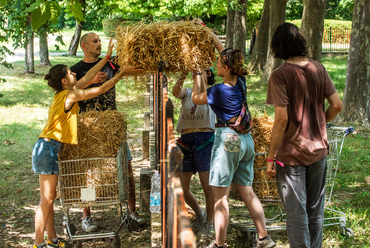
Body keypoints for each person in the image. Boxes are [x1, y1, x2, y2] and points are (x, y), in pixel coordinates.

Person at [31, 40, 142, 248]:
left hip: (49, 148)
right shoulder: (70, 95)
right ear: (65, 80)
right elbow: (101, 88)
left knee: (50, 199)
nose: (76, 75)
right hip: (47, 148)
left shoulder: (65, 93)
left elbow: (89, 76)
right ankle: (39, 244)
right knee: (46, 201)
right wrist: (121, 74)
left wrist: (107, 59)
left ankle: (53, 240)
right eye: (71, 74)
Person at [192, 19, 276, 248]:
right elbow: (225, 52)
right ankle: (264, 237)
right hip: (247, 140)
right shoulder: (240, 82)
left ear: (226, 67)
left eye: (218, 63)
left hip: (228, 140)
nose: (216, 64)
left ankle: (219, 244)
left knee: (220, 197)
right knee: (247, 192)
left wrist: (199, 73)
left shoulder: (217, 91)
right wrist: (208, 32)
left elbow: (195, 99)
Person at [265, 23, 343, 248]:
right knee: (315, 211)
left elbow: (281, 119)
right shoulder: (318, 68)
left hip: (292, 155)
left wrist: (270, 158)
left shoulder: (280, 75)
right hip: (319, 150)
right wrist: (319, 124)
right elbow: (337, 105)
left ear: (277, 46)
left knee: (296, 214)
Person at [70, 32, 144, 232]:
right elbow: (72, 91)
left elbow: (131, 66)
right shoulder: (76, 70)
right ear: (84, 46)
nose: (99, 44)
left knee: (126, 167)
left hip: (113, 125)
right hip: (88, 127)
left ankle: (131, 213)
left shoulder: (111, 64)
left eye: (100, 41)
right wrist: (93, 82)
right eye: (95, 41)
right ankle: (87, 216)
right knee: (87, 172)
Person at [172, 69, 216, 235]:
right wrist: (183, 75)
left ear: (208, 75)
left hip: (205, 139)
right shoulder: (188, 93)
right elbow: (176, 91)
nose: (196, 74)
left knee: (207, 186)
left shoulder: (212, 92)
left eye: (202, 71)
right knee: (182, 188)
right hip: (186, 139)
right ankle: (200, 214)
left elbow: (203, 90)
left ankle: (210, 222)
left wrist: (200, 76)